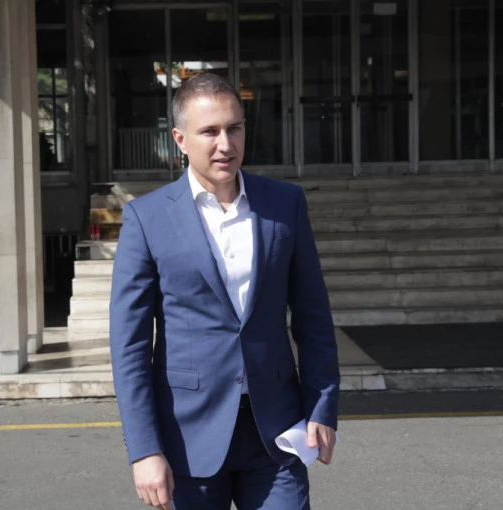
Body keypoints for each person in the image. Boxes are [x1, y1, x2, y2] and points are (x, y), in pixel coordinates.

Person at [109, 72, 340, 510]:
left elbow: (314, 317)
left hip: (277, 433)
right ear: (180, 139)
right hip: (186, 439)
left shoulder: (284, 204)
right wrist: (143, 450)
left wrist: (322, 407)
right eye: (210, 131)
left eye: (234, 128)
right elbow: (130, 346)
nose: (226, 144)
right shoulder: (146, 218)